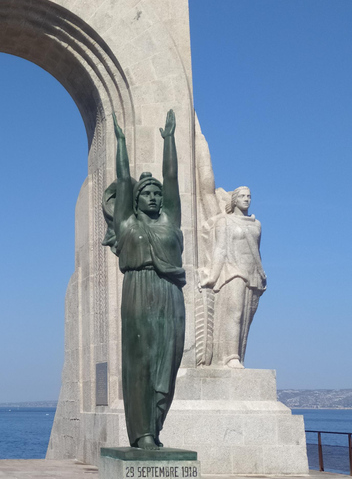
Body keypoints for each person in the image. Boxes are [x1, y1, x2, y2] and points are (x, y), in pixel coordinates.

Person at [109, 110, 185, 449]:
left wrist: (169, 140)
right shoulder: (127, 223)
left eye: (156, 194)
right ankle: (142, 433)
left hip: (170, 292)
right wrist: (121, 144)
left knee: (168, 362)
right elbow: (122, 180)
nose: (154, 197)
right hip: (138, 290)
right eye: (147, 194)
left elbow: (172, 178)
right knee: (140, 360)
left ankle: (157, 425)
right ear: (136, 201)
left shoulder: (170, 220)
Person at [201, 187, 266, 367]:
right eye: (243, 196)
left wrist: (261, 273)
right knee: (235, 312)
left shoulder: (256, 224)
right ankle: (231, 357)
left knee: (247, 317)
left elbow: (256, 251)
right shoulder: (225, 222)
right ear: (234, 200)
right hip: (232, 270)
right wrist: (213, 277)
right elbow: (220, 249)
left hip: (252, 272)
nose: (247, 199)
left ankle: (238, 354)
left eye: (249, 196)